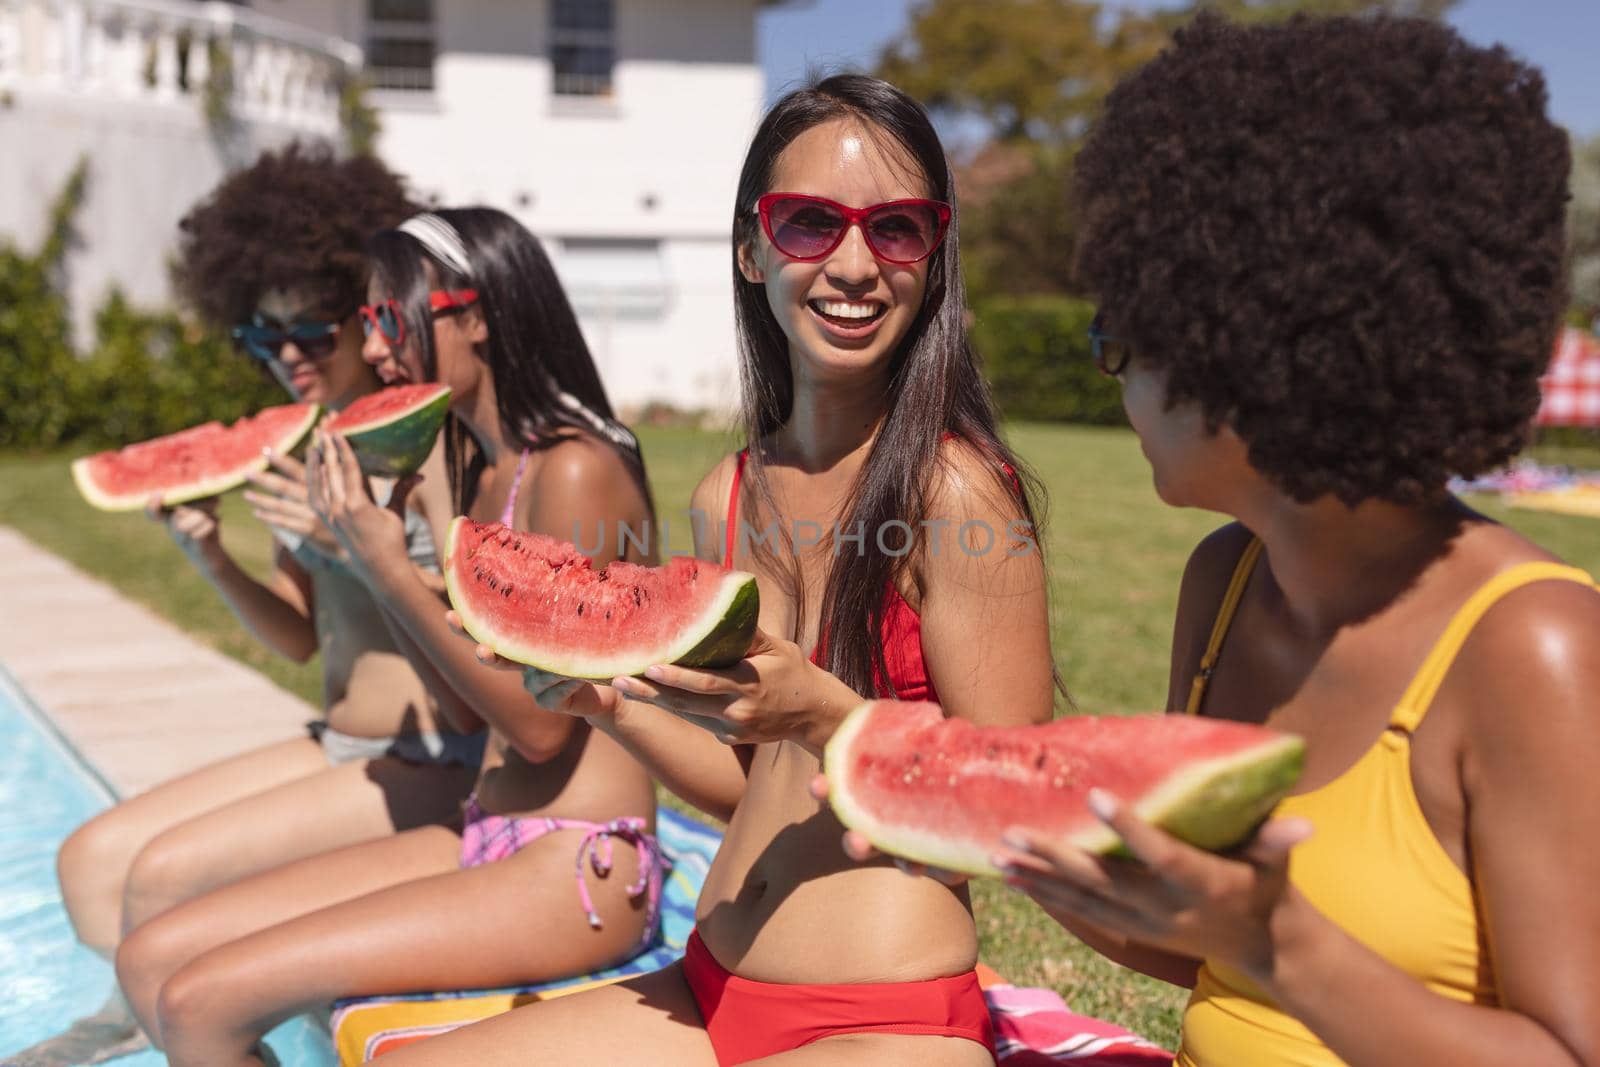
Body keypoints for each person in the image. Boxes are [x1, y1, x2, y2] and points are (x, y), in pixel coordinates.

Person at [384, 73, 1058, 1067]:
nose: (856, 263)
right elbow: (752, 782)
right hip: (707, 983)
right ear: (751, 248)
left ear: (934, 252)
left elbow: (1017, 804)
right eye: (810, 224)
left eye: (898, 228)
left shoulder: (955, 492)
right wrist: (609, 704)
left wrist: (825, 714)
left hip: (880, 1014)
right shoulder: (728, 493)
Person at [983, 14, 1600, 1067]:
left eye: (1120, 335)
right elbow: (1194, 946)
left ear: (1251, 348)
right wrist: (921, 785)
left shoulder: (1534, 645)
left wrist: (1279, 939)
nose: (1111, 373)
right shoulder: (1222, 584)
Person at [110, 207, 665, 1067]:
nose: (372, 349)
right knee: (152, 960)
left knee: (199, 1000)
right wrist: (391, 559)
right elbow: (463, 704)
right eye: (367, 322)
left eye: (388, 317)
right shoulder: (479, 468)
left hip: (578, 866)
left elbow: (545, 724)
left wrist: (388, 569)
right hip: (488, 829)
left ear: (476, 316)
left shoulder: (577, 468)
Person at [13, 144, 480, 1067]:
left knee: (159, 879)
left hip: (438, 754)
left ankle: (158, 1033)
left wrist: (354, 545)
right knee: (86, 862)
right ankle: (132, 1027)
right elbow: (302, 636)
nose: (291, 357)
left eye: (312, 329)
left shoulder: (431, 440)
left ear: (368, 312)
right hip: (340, 740)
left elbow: (470, 645)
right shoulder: (302, 444)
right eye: (265, 338)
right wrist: (211, 556)